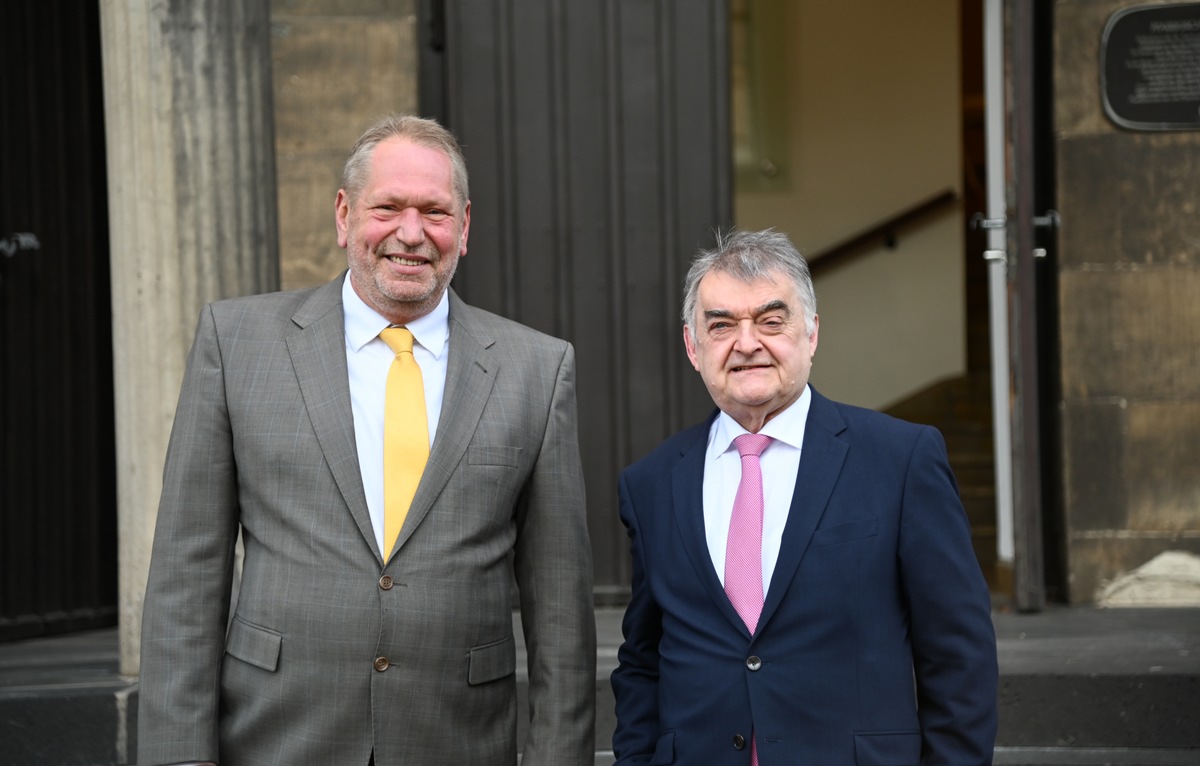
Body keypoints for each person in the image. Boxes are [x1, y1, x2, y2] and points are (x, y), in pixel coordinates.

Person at [138, 114, 596, 765]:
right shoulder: (236, 344)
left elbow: (561, 617)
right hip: (277, 740)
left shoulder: (537, 370)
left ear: (464, 229)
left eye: (435, 212)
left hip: (457, 742)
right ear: (344, 214)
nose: (411, 233)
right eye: (388, 208)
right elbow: (187, 576)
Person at [611, 229, 998, 765]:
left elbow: (959, 656)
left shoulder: (901, 460)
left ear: (812, 333)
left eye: (771, 321)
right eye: (721, 325)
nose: (746, 343)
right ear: (692, 346)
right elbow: (644, 662)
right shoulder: (651, 484)